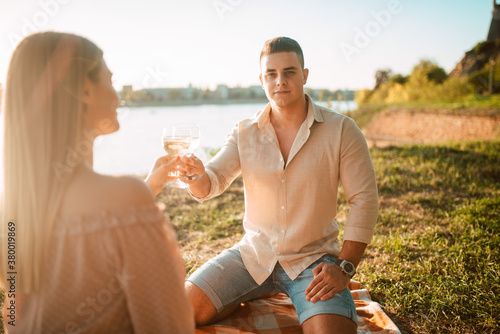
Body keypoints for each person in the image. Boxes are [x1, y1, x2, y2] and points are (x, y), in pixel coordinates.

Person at [180, 37, 379, 333]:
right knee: (181, 311)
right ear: (262, 80)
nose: (280, 81)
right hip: (252, 257)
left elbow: (364, 200)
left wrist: (345, 268)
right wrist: (196, 175)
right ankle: (239, 294)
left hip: (312, 260)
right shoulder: (243, 131)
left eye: (289, 72)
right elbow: (212, 182)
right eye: (271, 74)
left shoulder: (342, 129)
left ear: (304, 75)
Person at [0, 31, 194, 333]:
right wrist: (137, 200)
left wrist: (144, 191)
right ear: (84, 91)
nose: (118, 96)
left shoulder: (13, 213)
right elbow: (169, 325)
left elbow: (14, 314)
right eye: (110, 80)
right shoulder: (126, 202)